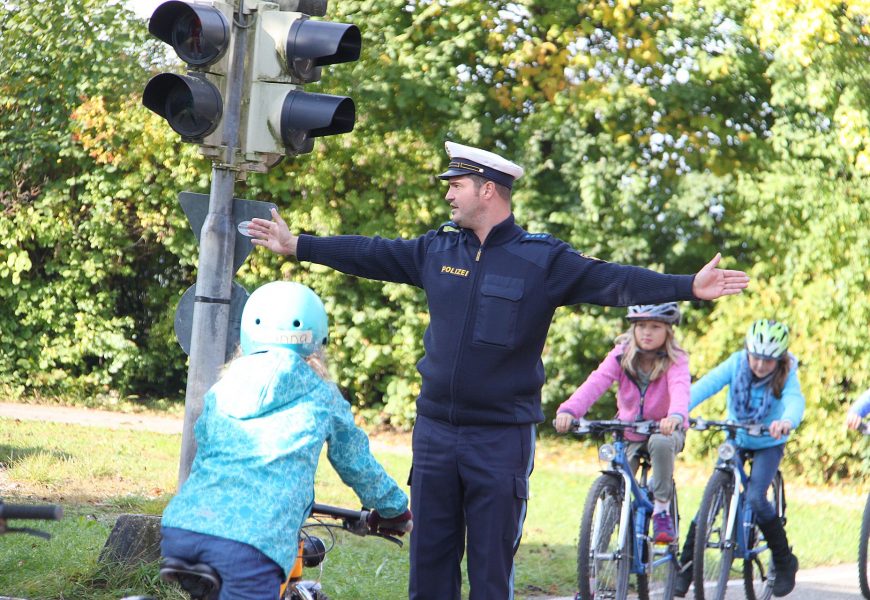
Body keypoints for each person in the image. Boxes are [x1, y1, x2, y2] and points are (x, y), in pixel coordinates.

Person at [247, 141, 749, 600]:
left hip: (500, 440)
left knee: (490, 574)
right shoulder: (437, 250)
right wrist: (300, 246)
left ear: (488, 190)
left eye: (456, 185)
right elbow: (374, 252)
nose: (448, 194)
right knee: (428, 571)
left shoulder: (542, 259)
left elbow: (611, 281)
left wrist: (687, 285)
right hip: (436, 435)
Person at [160, 281, 412, 600]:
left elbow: (206, 449)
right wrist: (395, 510)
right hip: (251, 544)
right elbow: (357, 463)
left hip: (183, 529)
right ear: (318, 337)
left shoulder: (223, 388)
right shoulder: (322, 396)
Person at [674, 319, 804, 598]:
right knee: (709, 501)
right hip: (737, 436)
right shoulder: (736, 363)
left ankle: (784, 562)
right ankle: (686, 568)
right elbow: (706, 385)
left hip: (769, 441)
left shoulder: (787, 373)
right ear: (747, 351)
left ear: (779, 359)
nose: (759, 365)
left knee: (757, 497)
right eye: (755, 357)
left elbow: (795, 401)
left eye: (768, 361)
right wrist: (679, 412)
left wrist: (786, 421)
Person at [554, 302, 689, 544]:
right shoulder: (621, 355)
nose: (647, 332)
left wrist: (675, 416)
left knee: (660, 443)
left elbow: (680, 388)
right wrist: (569, 410)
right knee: (615, 475)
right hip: (628, 431)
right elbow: (596, 382)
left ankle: (661, 510)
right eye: (641, 326)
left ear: (668, 331)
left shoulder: (675, 359)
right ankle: (597, 550)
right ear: (633, 329)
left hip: (665, 429)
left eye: (655, 327)